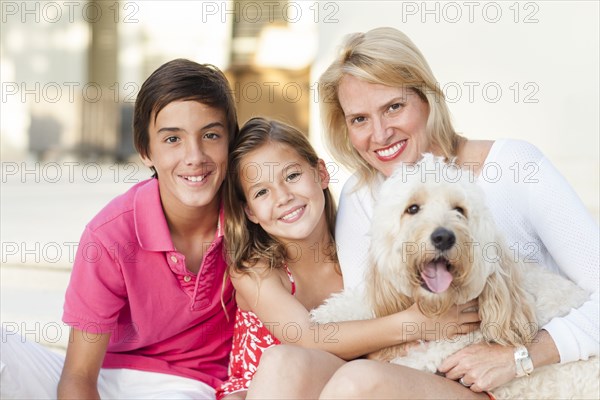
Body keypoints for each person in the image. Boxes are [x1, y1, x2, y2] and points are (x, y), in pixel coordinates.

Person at [249, 27, 600, 399]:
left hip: (514, 379)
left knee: (360, 383)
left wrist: (518, 357)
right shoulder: (363, 193)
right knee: (283, 363)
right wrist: (414, 326)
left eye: (393, 107)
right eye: (359, 119)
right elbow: (370, 318)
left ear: (427, 99)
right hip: (422, 368)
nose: (380, 134)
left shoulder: (515, 166)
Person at [0, 59, 239, 399]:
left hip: (187, 385)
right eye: (172, 139)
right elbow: (78, 377)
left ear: (231, 142)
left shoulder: (251, 219)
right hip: (102, 378)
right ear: (145, 151)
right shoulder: (111, 235)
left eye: (211, 135)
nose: (194, 156)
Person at [214, 117, 480, 400]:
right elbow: (307, 338)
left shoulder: (356, 249)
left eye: (292, 176)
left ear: (320, 173)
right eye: (262, 192)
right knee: (281, 362)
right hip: (267, 387)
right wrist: (413, 323)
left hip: (348, 384)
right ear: (250, 212)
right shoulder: (254, 271)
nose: (283, 197)